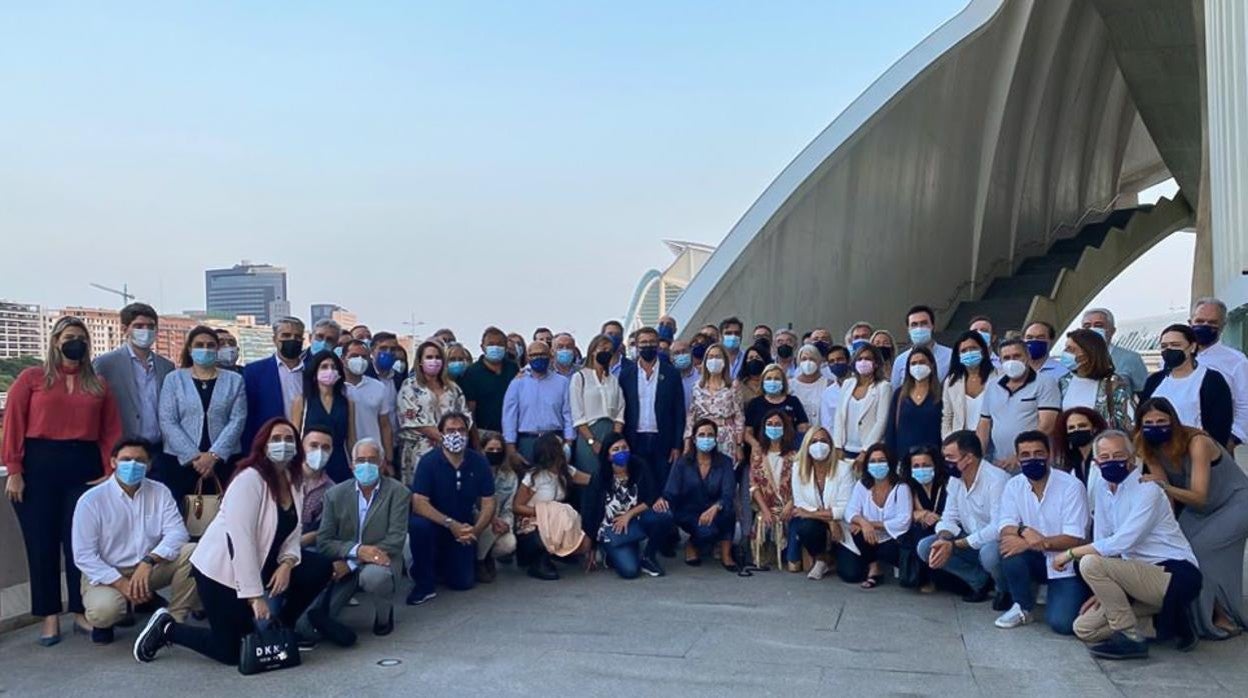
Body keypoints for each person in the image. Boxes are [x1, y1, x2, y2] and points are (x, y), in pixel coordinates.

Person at [134, 418, 338, 665]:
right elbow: (241, 542)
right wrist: (255, 597)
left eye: (288, 440)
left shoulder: (293, 479)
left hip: (263, 562)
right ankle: (167, 629)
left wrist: (287, 563)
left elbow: (293, 531)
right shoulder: (249, 479)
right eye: (275, 439)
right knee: (233, 652)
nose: (282, 445)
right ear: (263, 445)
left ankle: (281, 626)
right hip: (221, 571)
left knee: (320, 567)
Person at [4, 316, 122, 645]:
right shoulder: (31, 379)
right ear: (56, 341)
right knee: (41, 543)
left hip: (82, 466)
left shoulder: (98, 384)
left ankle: (81, 612)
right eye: (70, 337)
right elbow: (13, 423)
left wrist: (111, 471)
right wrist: (14, 469)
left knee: (79, 543)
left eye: (82, 338)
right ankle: (49, 616)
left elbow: (111, 432)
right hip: (38, 465)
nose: (76, 343)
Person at [1064, 430, 1202, 659]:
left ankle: (1129, 637)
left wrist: (1069, 553)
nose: (1112, 462)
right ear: (1096, 463)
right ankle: (1157, 622)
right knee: (1084, 628)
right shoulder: (1102, 489)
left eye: (1118, 455)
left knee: (1088, 562)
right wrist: (1105, 591)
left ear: (1131, 458)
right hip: (1131, 576)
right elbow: (1102, 538)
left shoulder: (1148, 490)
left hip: (1171, 573)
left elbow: (1122, 541)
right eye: (1105, 457)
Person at [1136, 397, 1248, 639]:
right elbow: (1167, 498)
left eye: (1162, 421)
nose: (1156, 426)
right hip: (1196, 509)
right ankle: (1183, 614)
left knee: (1200, 551)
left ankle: (1221, 615)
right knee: (1177, 550)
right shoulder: (1147, 446)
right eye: (1149, 422)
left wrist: (1164, 487)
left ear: (1173, 421)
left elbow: (1198, 495)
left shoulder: (1197, 442)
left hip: (1234, 503)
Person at [72, 439, 196, 645]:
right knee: (104, 611)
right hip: (108, 573)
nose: (132, 465)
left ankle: (173, 623)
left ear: (148, 465)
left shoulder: (160, 492)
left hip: (147, 568)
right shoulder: (91, 501)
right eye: (126, 460)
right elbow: (84, 555)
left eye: (139, 461)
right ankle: (112, 619)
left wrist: (149, 561)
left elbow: (178, 533)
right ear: (113, 462)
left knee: (192, 552)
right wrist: (121, 584)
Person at [308, 438, 408, 638]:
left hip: (380, 560)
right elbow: (325, 541)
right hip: (342, 560)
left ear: (381, 463)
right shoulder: (335, 494)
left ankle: (383, 615)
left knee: (374, 578)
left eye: (372, 460)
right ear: (351, 464)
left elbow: (395, 539)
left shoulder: (398, 492)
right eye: (361, 460)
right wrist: (356, 553)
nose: (366, 465)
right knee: (311, 628)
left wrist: (354, 562)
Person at [993, 430, 1090, 634]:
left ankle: (1064, 594)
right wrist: (1023, 530)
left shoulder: (1071, 486)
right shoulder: (1013, 485)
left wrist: (1032, 542)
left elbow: (1075, 538)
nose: (1032, 459)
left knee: (1062, 624)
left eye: (1038, 453)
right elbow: (1004, 527)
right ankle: (1022, 606)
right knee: (1008, 550)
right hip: (1035, 559)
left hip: (1066, 563)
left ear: (1049, 455)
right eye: (1025, 455)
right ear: (1018, 459)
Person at [407, 413, 497, 603]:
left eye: (461, 430)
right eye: (450, 430)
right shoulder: (428, 462)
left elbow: (488, 502)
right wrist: (449, 524)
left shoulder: (479, 462)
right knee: (418, 526)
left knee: (462, 583)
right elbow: (419, 503)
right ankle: (424, 583)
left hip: (464, 529)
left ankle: (445, 566)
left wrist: (476, 530)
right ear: (441, 433)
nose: (456, 435)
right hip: (435, 523)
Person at [157, 326, 247, 503]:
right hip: (180, 462)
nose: (205, 349)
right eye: (199, 345)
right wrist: (194, 457)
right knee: (183, 516)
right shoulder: (174, 379)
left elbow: (237, 420)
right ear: (190, 349)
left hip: (223, 461)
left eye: (210, 345)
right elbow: (168, 420)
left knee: (224, 514)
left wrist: (214, 455)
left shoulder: (234, 380)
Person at [919, 431, 1010, 605]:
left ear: (968, 458)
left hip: (995, 543)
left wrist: (954, 544)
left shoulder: (997, 480)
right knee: (926, 547)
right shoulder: (955, 479)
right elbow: (949, 516)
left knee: (989, 553)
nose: (945, 462)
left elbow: (998, 528)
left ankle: (1004, 590)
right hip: (968, 539)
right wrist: (944, 539)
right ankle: (979, 581)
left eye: (950, 457)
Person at [93, 303, 175, 478]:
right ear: (125, 329)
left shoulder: (166, 366)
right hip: (124, 451)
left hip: (158, 451)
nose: (145, 331)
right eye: (139, 326)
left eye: (150, 327)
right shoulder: (106, 364)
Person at [585, 432, 673, 578]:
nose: (621, 452)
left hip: (635, 519)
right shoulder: (599, 477)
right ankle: (611, 552)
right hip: (612, 529)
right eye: (616, 449)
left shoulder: (639, 465)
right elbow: (590, 512)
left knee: (664, 515)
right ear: (608, 455)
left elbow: (651, 495)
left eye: (624, 447)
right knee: (630, 571)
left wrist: (629, 514)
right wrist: (591, 546)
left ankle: (648, 556)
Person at [512, 433, 592, 580]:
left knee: (585, 544)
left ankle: (560, 553)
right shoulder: (533, 477)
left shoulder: (567, 472)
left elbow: (592, 481)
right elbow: (517, 506)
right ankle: (538, 561)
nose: (565, 449)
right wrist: (546, 512)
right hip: (532, 523)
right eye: (562, 446)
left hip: (556, 522)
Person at [1141, 324, 1234, 447]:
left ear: (1192, 347)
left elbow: (1220, 425)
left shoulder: (1212, 380)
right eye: (1164, 346)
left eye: (1175, 345)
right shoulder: (1154, 381)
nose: (1169, 350)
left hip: (1196, 452)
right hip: (1157, 453)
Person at [619, 327, 687, 493]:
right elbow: (622, 409)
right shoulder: (627, 374)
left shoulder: (671, 373)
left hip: (662, 439)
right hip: (635, 438)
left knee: (662, 484)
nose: (647, 346)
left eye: (651, 342)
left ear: (658, 345)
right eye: (643, 343)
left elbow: (679, 411)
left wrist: (677, 445)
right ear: (636, 345)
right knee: (638, 483)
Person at [976, 338, 1061, 469]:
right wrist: (978, 457)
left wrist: (1020, 455)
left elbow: (1047, 425)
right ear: (1001, 361)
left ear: (1027, 356)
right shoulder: (992, 386)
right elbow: (984, 425)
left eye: (1017, 356)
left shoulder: (1046, 383)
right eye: (1007, 357)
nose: (1012, 361)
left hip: (1033, 461)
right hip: (1000, 462)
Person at [664, 420, 737, 569]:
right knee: (707, 532)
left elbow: (728, 493)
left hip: (716, 511)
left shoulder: (725, 462)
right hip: (689, 512)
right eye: (702, 435)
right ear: (694, 439)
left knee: (729, 510)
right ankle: (692, 543)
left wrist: (717, 506)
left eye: (710, 435)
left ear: (716, 438)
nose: (706, 438)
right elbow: (671, 491)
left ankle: (726, 553)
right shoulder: (682, 463)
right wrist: (662, 500)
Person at [838, 443, 913, 588]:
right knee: (850, 573)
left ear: (890, 463)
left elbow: (904, 521)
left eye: (881, 461)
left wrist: (871, 525)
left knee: (885, 548)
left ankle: (879, 564)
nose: (877, 465)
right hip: (868, 538)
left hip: (892, 540)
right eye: (872, 461)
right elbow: (850, 511)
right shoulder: (862, 485)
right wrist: (862, 523)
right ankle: (874, 568)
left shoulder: (901, 487)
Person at [398, 340, 471, 484]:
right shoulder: (409, 386)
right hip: (420, 451)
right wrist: (444, 438)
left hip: (454, 449)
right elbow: (412, 419)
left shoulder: (453, 388)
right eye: (429, 357)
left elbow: (465, 414)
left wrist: (454, 439)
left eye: (438, 357)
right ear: (420, 361)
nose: (434, 361)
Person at [789, 427, 855, 580]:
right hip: (816, 523)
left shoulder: (844, 469)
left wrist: (818, 515)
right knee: (805, 526)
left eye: (823, 441)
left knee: (851, 575)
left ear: (831, 445)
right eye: (814, 441)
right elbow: (800, 505)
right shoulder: (798, 468)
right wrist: (829, 519)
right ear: (807, 446)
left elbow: (845, 508)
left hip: (842, 524)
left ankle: (835, 555)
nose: (819, 445)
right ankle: (821, 558)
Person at [501, 341, 575, 466]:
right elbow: (509, 417)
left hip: (554, 441)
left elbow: (568, 414)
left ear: (551, 356)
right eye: (534, 355)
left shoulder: (562, 382)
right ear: (528, 357)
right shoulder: (517, 383)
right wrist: (511, 448)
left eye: (542, 354)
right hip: (527, 441)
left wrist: (568, 444)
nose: (538, 358)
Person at [241, 316, 306, 449]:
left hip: (304, 445)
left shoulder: (312, 372)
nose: (292, 340)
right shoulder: (255, 372)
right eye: (286, 335)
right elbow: (248, 415)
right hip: (268, 445)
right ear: (275, 339)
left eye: (297, 336)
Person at [1190, 296, 1248, 445]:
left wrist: (1233, 438)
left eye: (1212, 322)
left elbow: (1245, 404)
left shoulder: (1237, 361)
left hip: (1217, 444)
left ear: (1223, 325)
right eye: (1200, 321)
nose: (1205, 325)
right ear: (1190, 323)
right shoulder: (1175, 357)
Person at [291, 350, 356, 483]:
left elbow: (351, 438)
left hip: (338, 461)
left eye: (333, 367)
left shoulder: (347, 402)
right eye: (324, 366)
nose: (330, 370)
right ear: (315, 372)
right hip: (310, 460)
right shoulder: (302, 401)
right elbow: (295, 435)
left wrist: (355, 462)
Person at [570, 334, 626, 475]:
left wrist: (614, 438)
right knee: (590, 476)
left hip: (610, 432)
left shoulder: (613, 380)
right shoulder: (580, 377)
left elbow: (620, 410)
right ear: (593, 351)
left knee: (608, 477)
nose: (606, 352)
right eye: (603, 348)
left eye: (609, 350)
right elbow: (577, 414)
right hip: (588, 433)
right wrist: (592, 441)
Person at [1058, 329, 1135, 431]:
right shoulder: (1063, 382)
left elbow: (1128, 423)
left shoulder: (1113, 384)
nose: (1065, 353)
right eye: (1066, 348)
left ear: (1088, 353)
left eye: (1071, 349)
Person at [832, 345, 893, 471]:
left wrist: (865, 451)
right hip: (845, 450)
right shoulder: (848, 384)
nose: (863, 362)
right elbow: (839, 415)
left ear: (876, 363)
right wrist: (837, 446)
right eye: (859, 359)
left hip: (870, 451)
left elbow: (881, 421)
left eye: (868, 359)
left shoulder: (884, 387)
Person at [750, 410, 797, 571]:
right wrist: (765, 509)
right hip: (767, 506)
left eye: (777, 424)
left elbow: (800, 485)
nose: (773, 428)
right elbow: (754, 485)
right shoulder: (757, 454)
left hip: (789, 506)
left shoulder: (794, 455)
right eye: (770, 424)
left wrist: (790, 505)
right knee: (763, 520)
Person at [340, 340, 395, 474]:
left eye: (364, 357)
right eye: (354, 356)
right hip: (344, 457)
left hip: (373, 456)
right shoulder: (336, 387)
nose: (359, 360)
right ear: (343, 359)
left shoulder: (378, 387)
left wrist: (388, 459)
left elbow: (385, 425)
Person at [684, 343, 744, 464]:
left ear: (724, 361)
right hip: (702, 436)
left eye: (718, 357)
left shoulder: (733, 386)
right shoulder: (697, 387)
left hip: (725, 436)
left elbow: (739, 417)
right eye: (710, 357)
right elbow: (691, 416)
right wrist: (687, 442)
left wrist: (739, 445)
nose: (714, 360)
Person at [898, 444, 947, 591]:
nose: (921, 469)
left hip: (945, 529)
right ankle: (921, 577)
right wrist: (920, 514)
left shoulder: (946, 485)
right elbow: (902, 513)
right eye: (916, 466)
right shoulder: (909, 486)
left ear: (935, 465)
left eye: (926, 465)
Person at [459, 326, 520, 434]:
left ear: (506, 347)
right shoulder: (471, 373)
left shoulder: (513, 368)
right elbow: (470, 411)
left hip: (512, 431)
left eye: (500, 344)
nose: (495, 347)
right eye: (491, 344)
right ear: (483, 347)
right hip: (484, 432)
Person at [885, 346, 942, 458]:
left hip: (933, 459)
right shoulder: (900, 394)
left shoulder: (941, 394)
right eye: (913, 363)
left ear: (931, 365)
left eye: (922, 362)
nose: (918, 366)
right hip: (904, 458)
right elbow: (891, 429)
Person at [475, 432, 517, 582]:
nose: (494, 453)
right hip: (477, 519)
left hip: (499, 520)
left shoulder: (510, 476)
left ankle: (486, 556)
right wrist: (490, 518)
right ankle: (479, 561)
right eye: (490, 449)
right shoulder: (474, 472)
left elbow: (509, 507)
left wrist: (506, 524)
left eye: (498, 450)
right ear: (482, 450)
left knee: (509, 543)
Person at [744, 364, 810, 457]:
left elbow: (803, 428)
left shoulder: (793, 401)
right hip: (761, 452)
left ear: (783, 382)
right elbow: (747, 431)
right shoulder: (755, 403)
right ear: (763, 382)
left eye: (777, 379)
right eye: (769, 378)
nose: (773, 381)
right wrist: (755, 445)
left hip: (789, 452)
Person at [941, 331, 997, 437]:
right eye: (964, 350)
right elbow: (947, 416)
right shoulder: (951, 381)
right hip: (962, 442)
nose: (969, 353)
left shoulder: (998, 376)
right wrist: (948, 441)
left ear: (983, 350)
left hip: (993, 439)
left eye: (973, 348)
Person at [1082, 308, 1149, 394]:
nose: (1092, 329)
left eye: (1098, 325)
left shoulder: (1131, 358)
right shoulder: (1075, 360)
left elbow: (1143, 393)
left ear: (1112, 331)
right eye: (1087, 326)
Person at [890, 305, 953, 385]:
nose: (919, 328)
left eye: (924, 323)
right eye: (914, 325)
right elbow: (895, 391)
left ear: (933, 326)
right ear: (908, 329)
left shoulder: (950, 356)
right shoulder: (900, 360)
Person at [1052, 407, 1109, 493]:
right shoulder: (1070, 462)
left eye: (1082, 426)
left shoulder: (1105, 457)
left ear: (1094, 429)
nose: (1076, 430)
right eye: (1071, 428)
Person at [299, 425, 336, 547]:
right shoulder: (284, 477)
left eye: (325, 448)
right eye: (313, 445)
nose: (319, 452)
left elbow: (323, 530)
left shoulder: (332, 491)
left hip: (306, 548)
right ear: (302, 447)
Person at [791, 344, 828, 428]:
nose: (808, 362)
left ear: (819, 361)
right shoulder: (790, 385)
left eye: (812, 359)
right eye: (804, 359)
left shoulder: (828, 384)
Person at [818, 345, 851, 434]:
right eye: (831, 361)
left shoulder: (860, 385)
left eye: (840, 359)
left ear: (848, 361)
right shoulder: (827, 393)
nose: (836, 363)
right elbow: (827, 424)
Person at [735, 343, 769, 409]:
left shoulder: (771, 382)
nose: (754, 360)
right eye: (750, 358)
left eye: (757, 357)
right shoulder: (739, 385)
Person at [671, 338, 698, 409]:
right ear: (671, 358)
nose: (681, 355)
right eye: (676, 353)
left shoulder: (701, 376)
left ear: (691, 353)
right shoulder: (668, 379)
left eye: (684, 351)